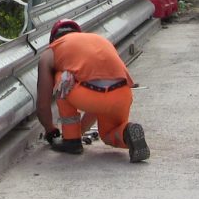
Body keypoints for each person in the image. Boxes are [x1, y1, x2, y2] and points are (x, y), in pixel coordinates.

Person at [35, 19, 150, 163]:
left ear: (53, 39)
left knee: (63, 77)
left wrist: (50, 129)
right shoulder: (99, 41)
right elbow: (98, 99)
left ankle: (71, 141)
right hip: (122, 94)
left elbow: (42, 105)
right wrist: (81, 130)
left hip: (90, 95)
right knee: (108, 134)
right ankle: (127, 133)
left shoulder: (51, 51)